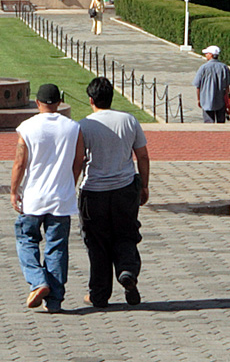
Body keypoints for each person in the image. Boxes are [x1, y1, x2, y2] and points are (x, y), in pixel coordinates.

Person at [9, 82, 86, 313]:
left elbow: (20, 163)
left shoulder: (27, 127)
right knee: (57, 248)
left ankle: (37, 280)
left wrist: (14, 191)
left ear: (37, 102)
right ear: (60, 102)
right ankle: (54, 300)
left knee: (26, 240)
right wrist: (68, 184)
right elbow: (78, 161)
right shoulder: (73, 128)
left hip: (33, 197)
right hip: (61, 199)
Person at [77, 76, 149, 308]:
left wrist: (70, 187)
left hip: (94, 191)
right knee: (126, 234)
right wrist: (145, 185)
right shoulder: (129, 120)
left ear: (91, 100)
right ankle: (127, 269)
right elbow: (143, 156)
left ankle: (99, 294)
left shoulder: (84, 125)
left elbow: (78, 161)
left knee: (97, 242)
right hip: (125, 188)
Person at [194, 45, 230, 123]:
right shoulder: (224, 67)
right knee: (221, 123)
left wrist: (199, 99)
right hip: (221, 100)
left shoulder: (203, 68)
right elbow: (227, 86)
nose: (205, 55)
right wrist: (228, 101)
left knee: (208, 123)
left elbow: (198, 86)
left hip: (206, 100)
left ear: (211, 55)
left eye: (207, 53)